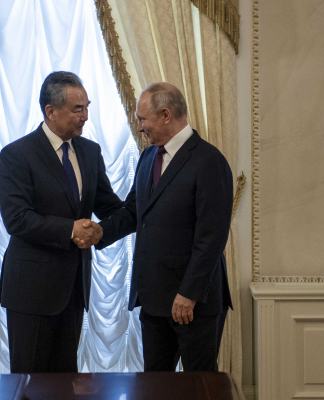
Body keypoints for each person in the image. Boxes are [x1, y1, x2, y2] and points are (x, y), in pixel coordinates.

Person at [79, 82, 233, 372]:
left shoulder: (209, 161)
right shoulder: (149, 157)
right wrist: (101, 232)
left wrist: (188, 294)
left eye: (141, 119)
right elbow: (136, 210)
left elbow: (211, 238)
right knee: (155, 386)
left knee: (198, 389)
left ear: (165, 115)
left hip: (193, 303)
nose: (139, 127)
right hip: (153, 300)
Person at [0, 71, 122, 373]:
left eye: (87, 107)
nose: (85, 116)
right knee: (29, 384)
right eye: (78, 109)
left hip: (74, 290)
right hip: (30, 292)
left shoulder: (90, 152)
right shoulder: (17, 155)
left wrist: (107, 227)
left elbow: (109, 206)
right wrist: (71, 230)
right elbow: (17, 219)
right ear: (51, 112)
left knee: (67, 381)